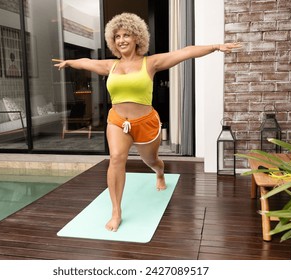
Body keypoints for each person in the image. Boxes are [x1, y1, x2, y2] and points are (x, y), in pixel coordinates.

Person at [54, 13, 241, 232]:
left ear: (137, 38)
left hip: (145, 122)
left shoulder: (150, 63)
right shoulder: (110, 66)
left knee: (151, 160)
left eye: (126, 35)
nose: (121, 40)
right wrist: (69, 62)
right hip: (117, 122)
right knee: (115, 158)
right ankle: (116, 212)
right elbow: (87, 62)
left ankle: (159, 173)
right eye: (117, 36)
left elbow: (185, 52)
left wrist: (216, 46)